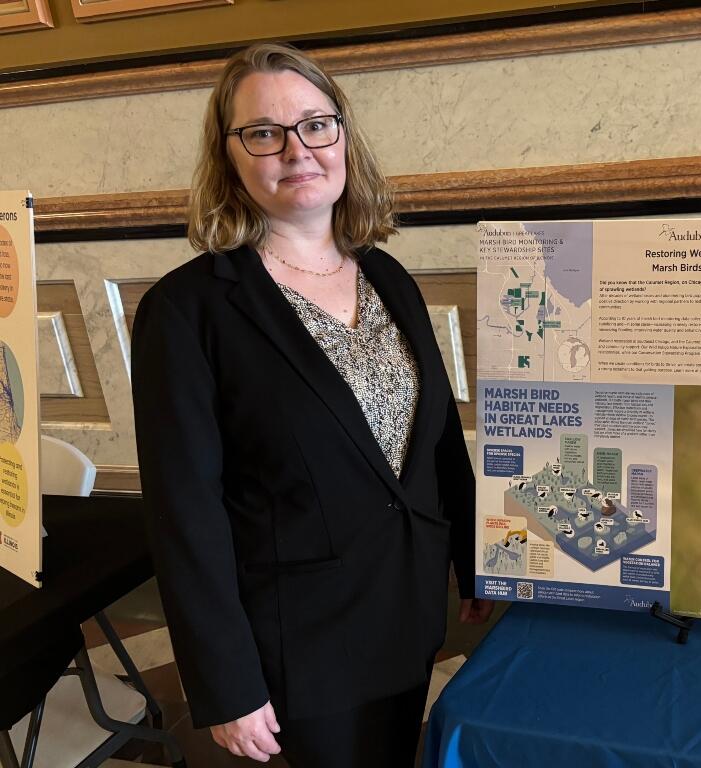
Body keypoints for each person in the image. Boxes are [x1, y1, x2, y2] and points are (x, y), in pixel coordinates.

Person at [131, 42, 493, 767]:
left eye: (316, 125)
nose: (296, 150)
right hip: (303, 636)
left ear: (343, 139)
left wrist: (475, 552)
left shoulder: (385, 273)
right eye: (264, 133)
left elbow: (438, 433)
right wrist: (225, 681)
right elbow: (185, 511)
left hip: (407, 602)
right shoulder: (187, 311)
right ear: (229, 156)